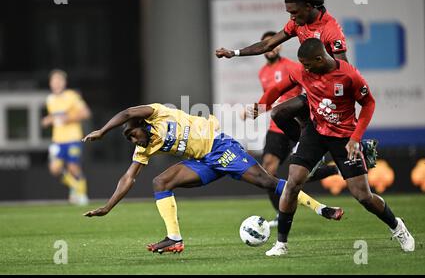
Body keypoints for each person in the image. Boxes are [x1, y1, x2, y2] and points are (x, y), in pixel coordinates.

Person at [81, 103, 343, 254]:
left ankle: (322, 208)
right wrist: (108, 206)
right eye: (129, 139)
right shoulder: (145, 147)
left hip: (221, 148)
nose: (133, 140)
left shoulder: (157, 113)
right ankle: (174, 238)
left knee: (268, 183)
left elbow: (126, 113)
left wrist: (103, 131)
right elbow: (128, 178)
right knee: (160, 182)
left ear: (141, 123)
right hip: (203, 162)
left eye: (133, 135)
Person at [255, 38, 414, 256]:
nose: (305, 68)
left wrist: (356, 138)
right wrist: (261, 104)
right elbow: (279, 87)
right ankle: (281, 244)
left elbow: (369, 103)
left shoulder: (348, 75)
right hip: (315, 132)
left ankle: (398, 227)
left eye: (308, 64)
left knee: (363, 196)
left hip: (344, 137)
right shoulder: (304, 71)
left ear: (320, 59)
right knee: (293, 184)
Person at [216, 0, 378, 169]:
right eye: (289, 13)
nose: (291, 17)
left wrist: (337, 96)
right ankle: (308, 149)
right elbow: (268, 44)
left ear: (308, 6)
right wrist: (234, 53)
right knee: (280, 112)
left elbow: (343, 68)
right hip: (311, 85)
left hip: (330, 93)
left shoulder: (330, 30)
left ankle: (360, 148)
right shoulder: (297, 24)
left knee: (331, 133)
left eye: (294, 12)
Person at [246, 30, 340, 227]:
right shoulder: (262, 72)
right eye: (266, 44)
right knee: (268, 171)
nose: (271, 48)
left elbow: (307, 91)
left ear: (278, 46)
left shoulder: (293, 66)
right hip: (276, 126)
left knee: (300, 174)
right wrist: (258, 109)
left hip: (297, 126)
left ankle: (334, 170)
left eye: (273, 44)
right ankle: (280, 215)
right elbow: (272, 98)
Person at [41, 69, 91, 206]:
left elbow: (86, 113)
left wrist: (68, 118)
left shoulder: (72, 96)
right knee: (54, 168)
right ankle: (75, 187)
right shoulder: (50, 99)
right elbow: (55, 117)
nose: (56, 84)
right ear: (50, 83)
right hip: (57, 140)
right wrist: (48, 120)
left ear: (64, 83)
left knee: (73, 166)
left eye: (59, 81)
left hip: (73, 138)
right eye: (54, 81)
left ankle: (81, 194)